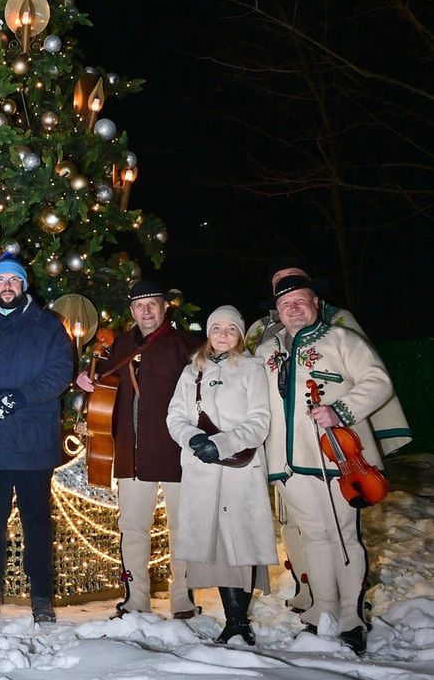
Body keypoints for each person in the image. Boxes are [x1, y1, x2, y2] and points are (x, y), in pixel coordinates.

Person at [246, 258, 411, 615]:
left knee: (343, 535)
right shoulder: (265, 352)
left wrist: (342, 410)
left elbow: (378, 381)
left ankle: (351, 615)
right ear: (277, 311)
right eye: (285, 304)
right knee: (314, 537)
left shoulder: (342, 340)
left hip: (334, 458)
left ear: (315, 303)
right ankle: (323, 608)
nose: (293, 309)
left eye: (300, 301)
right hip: (287, 464)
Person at [0, 259, 73, 623]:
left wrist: (22, 397)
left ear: (24, 284)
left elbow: (60, 371)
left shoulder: (48, 325)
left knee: (36, 520)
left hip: (32, 441)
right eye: (1, 280)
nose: (7, 285)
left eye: (14, 280)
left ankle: (41, 596)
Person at [77, 279, 200, 619]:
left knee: (183, 529)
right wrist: (85, 378)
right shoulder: (120, 345)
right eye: (139, 306)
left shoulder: (187, 344)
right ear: (131, 311)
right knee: (132, 529)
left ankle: (183, 600)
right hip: (131, 453)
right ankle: (136, 600)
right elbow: (101, 377)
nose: (146, 311)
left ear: (164, 308)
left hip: (177, 452)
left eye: (152, 305)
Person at [166, 306, 277, 644]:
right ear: (209, 333)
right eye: (217, 328)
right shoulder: (191, 372)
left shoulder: (252, 369)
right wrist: (192, 438)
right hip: (202, 469)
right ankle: (232, 620)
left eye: (231, 328)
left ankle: (238, 622)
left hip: (239, 470)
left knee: (240, 543)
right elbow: (175, 417)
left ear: (240, 335)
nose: (224, 334)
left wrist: (224, 443)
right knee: (213, 544)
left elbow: (260, 420)